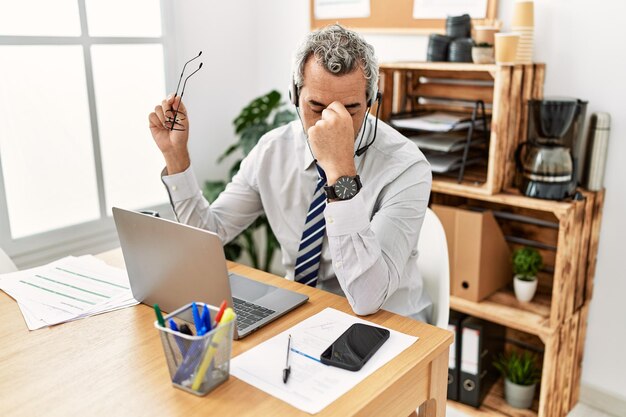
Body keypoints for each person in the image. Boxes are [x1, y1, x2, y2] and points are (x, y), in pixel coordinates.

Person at [148, 24, 433, 323]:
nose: (330, 123)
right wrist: (175, 155)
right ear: (294, 95)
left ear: (371, 103)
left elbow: (367, 298)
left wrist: (339, 172)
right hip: (303, 311)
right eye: (317, 107)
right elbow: (209, 232)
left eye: (349, 110)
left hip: (390, 321)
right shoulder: (272, 150)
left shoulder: (406, 167)